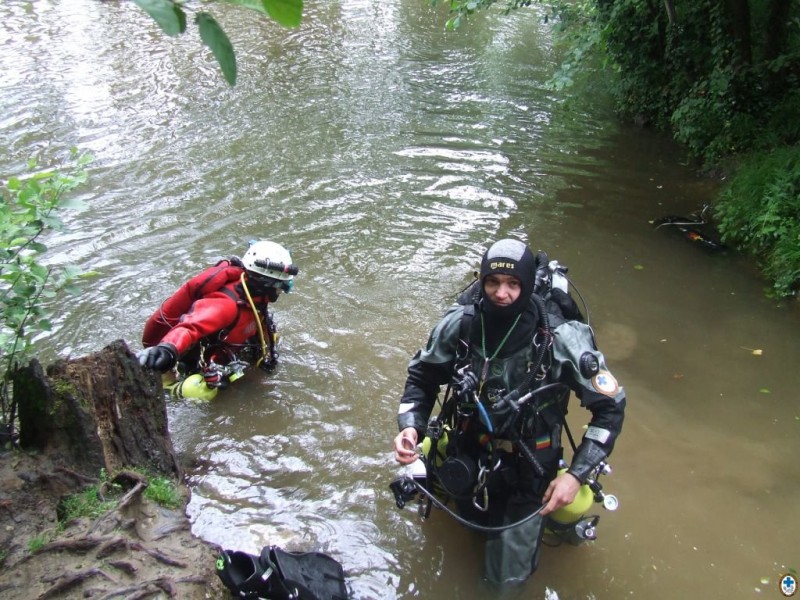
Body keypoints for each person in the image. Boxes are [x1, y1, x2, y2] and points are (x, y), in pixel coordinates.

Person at [392, 238, 625, 587]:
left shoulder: (560, 338)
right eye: (493, 282)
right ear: (482, 281)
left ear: (527, 284)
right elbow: (421, 378)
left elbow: (610, 408)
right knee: (460, 539)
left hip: (531, 469)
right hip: (467, 450)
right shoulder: (461, 325)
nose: (501, 293)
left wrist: (575, 476)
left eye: (513, 283)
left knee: (502, 583)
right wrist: (410, 426)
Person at [138, 240, 298, 386]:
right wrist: (168, 350)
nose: (282, 291)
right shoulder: (225, 305)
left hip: (227, 351)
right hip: (191, 360)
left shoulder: (255, 298)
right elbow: (190, 328)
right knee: (197, 391)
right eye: (281, 286)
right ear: (265, 283)